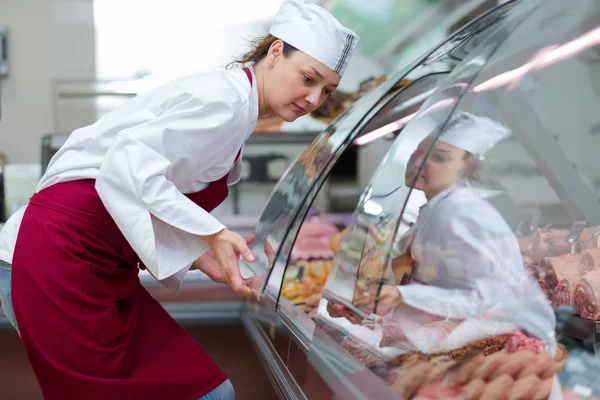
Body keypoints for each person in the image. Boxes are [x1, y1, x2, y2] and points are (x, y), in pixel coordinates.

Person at [0, 1, 359, 399]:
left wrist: (202, 254)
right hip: (64, 258)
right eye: (308, 78)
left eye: (326, 90)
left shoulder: (237, 104)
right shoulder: (226, 103)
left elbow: (144, 193)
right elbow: (127, 166)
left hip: (89, 260)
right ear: (276, 52)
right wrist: (212, 232)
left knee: (212, 393)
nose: (313, 98)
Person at [329, 112, 556, 350]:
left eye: (439, 157)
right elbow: (441, 288)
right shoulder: (436, 206)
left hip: (501, 351)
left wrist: (400, 296)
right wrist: (363, 305)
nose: (418, 162)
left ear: (466, 168)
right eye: (420, 151)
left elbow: (491, 299)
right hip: (448, 341)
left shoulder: (465, 213)